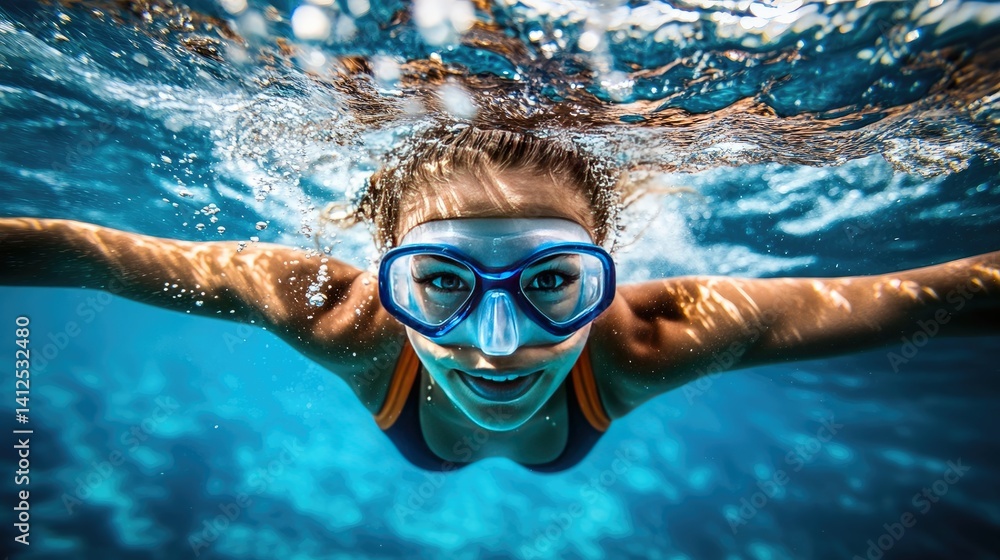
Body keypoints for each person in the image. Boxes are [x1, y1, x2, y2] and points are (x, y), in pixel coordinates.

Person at [2, 125, 998, 473]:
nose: (496, 342)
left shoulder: (654, 335)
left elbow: (930, 296)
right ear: (380, 276)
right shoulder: (330, 307)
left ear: (606, 275)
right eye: (437, 282)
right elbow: (88, 253)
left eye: (551, 282)